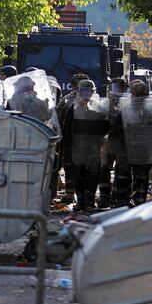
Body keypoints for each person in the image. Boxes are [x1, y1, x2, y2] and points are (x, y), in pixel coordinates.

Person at [65, 79, 109, 212]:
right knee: (78, 174)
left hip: (94, 147)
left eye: (89, 91)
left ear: (93, 92)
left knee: (94, 174)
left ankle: (89, 201)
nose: (86, 94)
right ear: (79, 92)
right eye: (84, 91)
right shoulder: (72, 108)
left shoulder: (99, 107)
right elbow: (67, 130)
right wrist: (67, 149)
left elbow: (106, 126)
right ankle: (81, 201)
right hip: (77, 147)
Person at [56, 73, 90, 205]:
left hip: (88, 140)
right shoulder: (66, 100)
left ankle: (85, 195)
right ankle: (70, 193)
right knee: (69, 167)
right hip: (70, 139)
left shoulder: (93, 100)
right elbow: (59, 118)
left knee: (85, 168)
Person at [98, 78, 128, 209]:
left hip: (123, 141)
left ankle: (117, 197)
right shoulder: (105, 103)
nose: (118, 91)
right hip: (108, 141)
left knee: (121, 171)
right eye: (116, 87)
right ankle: (104, 198)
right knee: (105, 168)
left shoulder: (128, 103)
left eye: (121, 88)